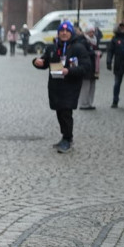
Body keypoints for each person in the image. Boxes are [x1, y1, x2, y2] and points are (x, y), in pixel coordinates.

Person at [32, 21, 93, 153]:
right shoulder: (52, 48)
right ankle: (64, 137)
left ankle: (68, 138)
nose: (64, 33)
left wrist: (69, 71)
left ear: (71, 33)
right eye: (61, 31)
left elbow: (86, 67)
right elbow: (45, 62)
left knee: (66, 112)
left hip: (70, 86)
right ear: (58, 33)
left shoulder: (78, 48)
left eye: (67, 31)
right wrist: (37, 62)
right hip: (55, 86)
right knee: (60, 112)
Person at [107, 20, 124, 108]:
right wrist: (108, 62)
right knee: (117, 83)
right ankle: (115, 101)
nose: (123, 28)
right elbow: (110, 51)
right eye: (121, 26)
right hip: (118, 63)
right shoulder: (115, 39)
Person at [78, 26, 100, 110]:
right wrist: (94, 53)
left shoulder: (95, 40)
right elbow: (83, 53)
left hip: (94, 66)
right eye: (90, 32)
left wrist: (98, 54)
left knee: (92, 85)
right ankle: (84, 103)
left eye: (93, 32)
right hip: (86, 66)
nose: (92, 33)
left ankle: (90, 102)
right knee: (85, 86)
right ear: (86, 32)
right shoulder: (83, 41)